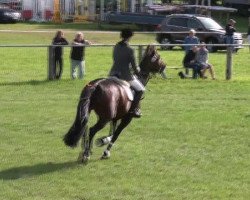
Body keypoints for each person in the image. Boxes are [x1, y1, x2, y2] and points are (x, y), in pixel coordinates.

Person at [109, 28, 145, 118]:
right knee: (141, 90)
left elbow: (115, 59)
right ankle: (134, 109)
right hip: (125, 75)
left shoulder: (116, 46)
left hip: (113, 73)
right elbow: (134, 66)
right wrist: (139, 72)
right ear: (129, 37)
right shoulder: (130, 49)